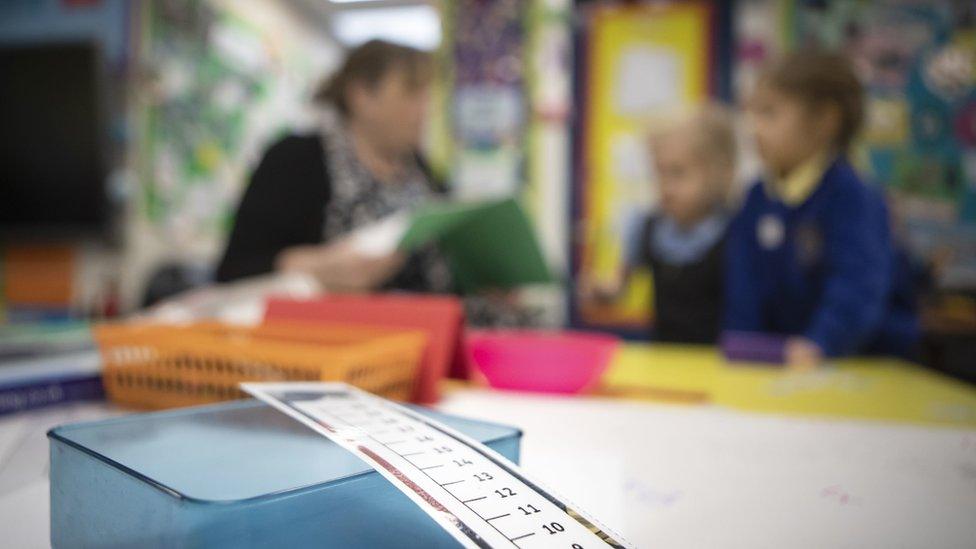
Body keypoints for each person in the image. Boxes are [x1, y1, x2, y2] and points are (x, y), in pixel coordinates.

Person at [725, 50, 919, 369]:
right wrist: (743, 347)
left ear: (826, 120)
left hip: (864, 366)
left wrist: (822, 342)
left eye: (769, 114)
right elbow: (743, 286)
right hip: (781, 369)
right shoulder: (756, 197)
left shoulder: (853, 196)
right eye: (753, 114)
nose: (754, 128)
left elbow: (857, 287)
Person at [216, 40, 451, 294]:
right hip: (333, 326)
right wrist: (314, 266)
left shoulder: (425, 173)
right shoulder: (295, 160)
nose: (423, 109)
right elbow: (235, 269)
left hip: (435, 323)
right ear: (361, 95)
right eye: (410, 94)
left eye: (426, 95)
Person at [581, 103, 737, 343]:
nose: (666, 187)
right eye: (659, 172)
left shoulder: (734, 234)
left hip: (716, 365)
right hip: (662, 360)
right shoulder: (647, 227)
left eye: (678, 173)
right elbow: (617, 287)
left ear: (719, 172)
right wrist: (601, 292)